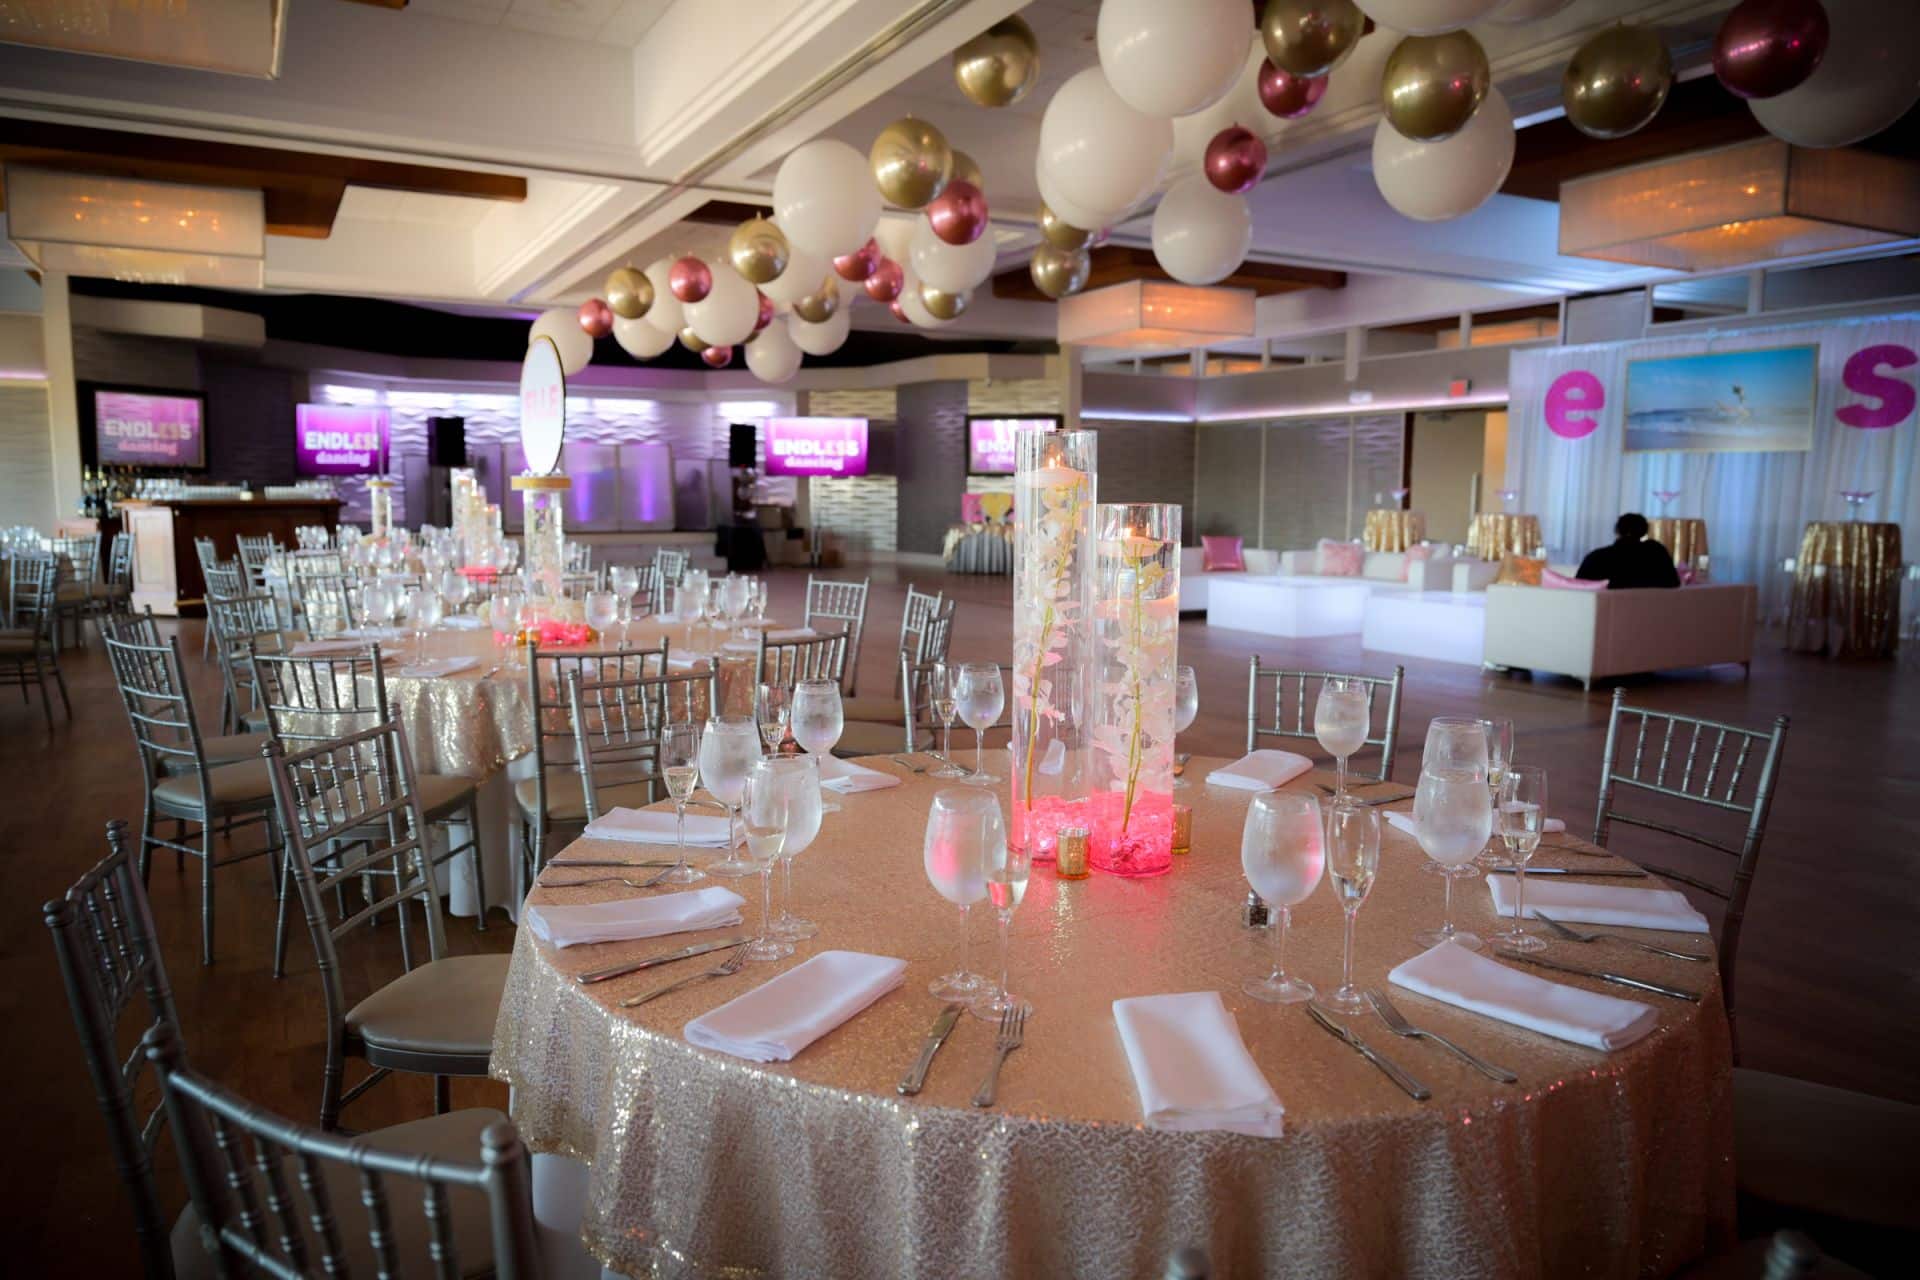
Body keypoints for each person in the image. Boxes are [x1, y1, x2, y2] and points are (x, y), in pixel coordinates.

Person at [1576, 513, 1681, 589]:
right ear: (1644, 532)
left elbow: (1579, 586)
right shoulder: (1656, 553)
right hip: (1655, 608)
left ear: (1617, 530)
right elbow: (1674, 582)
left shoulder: (1597, 557)